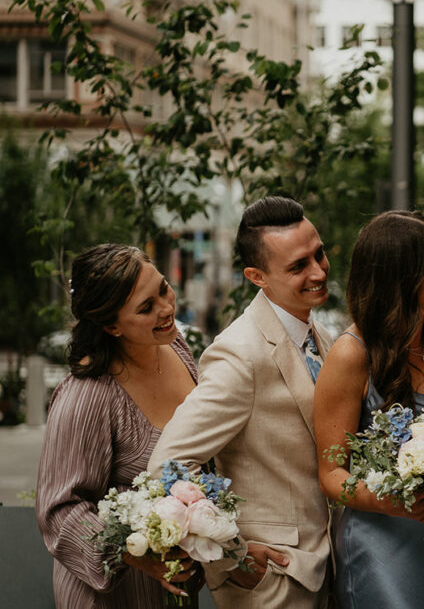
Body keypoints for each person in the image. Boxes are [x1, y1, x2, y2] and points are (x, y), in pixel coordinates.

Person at [148, 197, 335, 608]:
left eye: (319, 254)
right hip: (274, 580)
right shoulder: (239, 352)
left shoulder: (322, 338)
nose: (319, 271)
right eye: (299, 265)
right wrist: (232, 556)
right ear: (256, 276)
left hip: (331, 569)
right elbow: (169, 465)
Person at [315, 210, 424, 609]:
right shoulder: (351, 355)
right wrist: (390, 501)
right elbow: (331, 474)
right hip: (384, 549)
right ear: (400, 277)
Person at [36, 244, 202, 607]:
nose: (166, 308)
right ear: (111, 325)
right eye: (146, 308)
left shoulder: (178, 349)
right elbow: (59, 510)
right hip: (113, 594)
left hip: (173, 584)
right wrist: (137, 554)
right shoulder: (86, 396)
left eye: (162, 288)